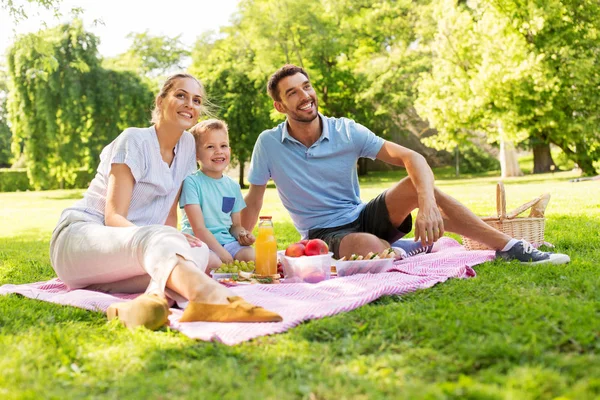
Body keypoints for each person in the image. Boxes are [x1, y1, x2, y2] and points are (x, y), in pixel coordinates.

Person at [241, 64, 570, 265]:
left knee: (418, 184)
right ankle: (407, 248)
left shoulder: (346, 130)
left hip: (364, 214)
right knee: (367, 247)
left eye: (307, 87)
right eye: (293, 93)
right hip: (324, 233)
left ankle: (510, 247)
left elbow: (412, 158)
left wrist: (426, 205)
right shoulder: (268, 144)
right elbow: (253, 202)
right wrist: (236, 234)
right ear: (280, 105)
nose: (304, 96)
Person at [50, 73, 282, 330]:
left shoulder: (186, 147)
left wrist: (175, 240)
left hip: (121, 262)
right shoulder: (134, 140)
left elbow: (170, 214)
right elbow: (113, 218)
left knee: (203, 254)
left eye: (196, 100)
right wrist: (166, 237)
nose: (189, 104)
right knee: (169, 242)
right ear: (160, 101)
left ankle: (146, 303)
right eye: (180, 95)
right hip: (82, 238)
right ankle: (211, 298)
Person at [180, 119, 255, 271]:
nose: (219, 151)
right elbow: (199, 229)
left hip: (227, 242)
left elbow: (235, 226)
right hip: (200, 242)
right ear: (196, 155)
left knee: (252, 256)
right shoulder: (191, 183)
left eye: (223, 146)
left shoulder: (233, 186)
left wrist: (243, 235)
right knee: (214, 262)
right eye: (210, 147)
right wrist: (223, 254)